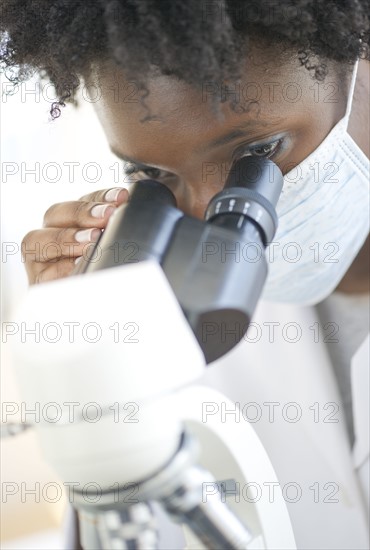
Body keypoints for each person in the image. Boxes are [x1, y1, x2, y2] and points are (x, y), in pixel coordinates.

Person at [1, 1, 369, 549]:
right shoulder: (182, 315)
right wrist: (97, 396)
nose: (204, 212)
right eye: (151, 175)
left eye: (258, 153)